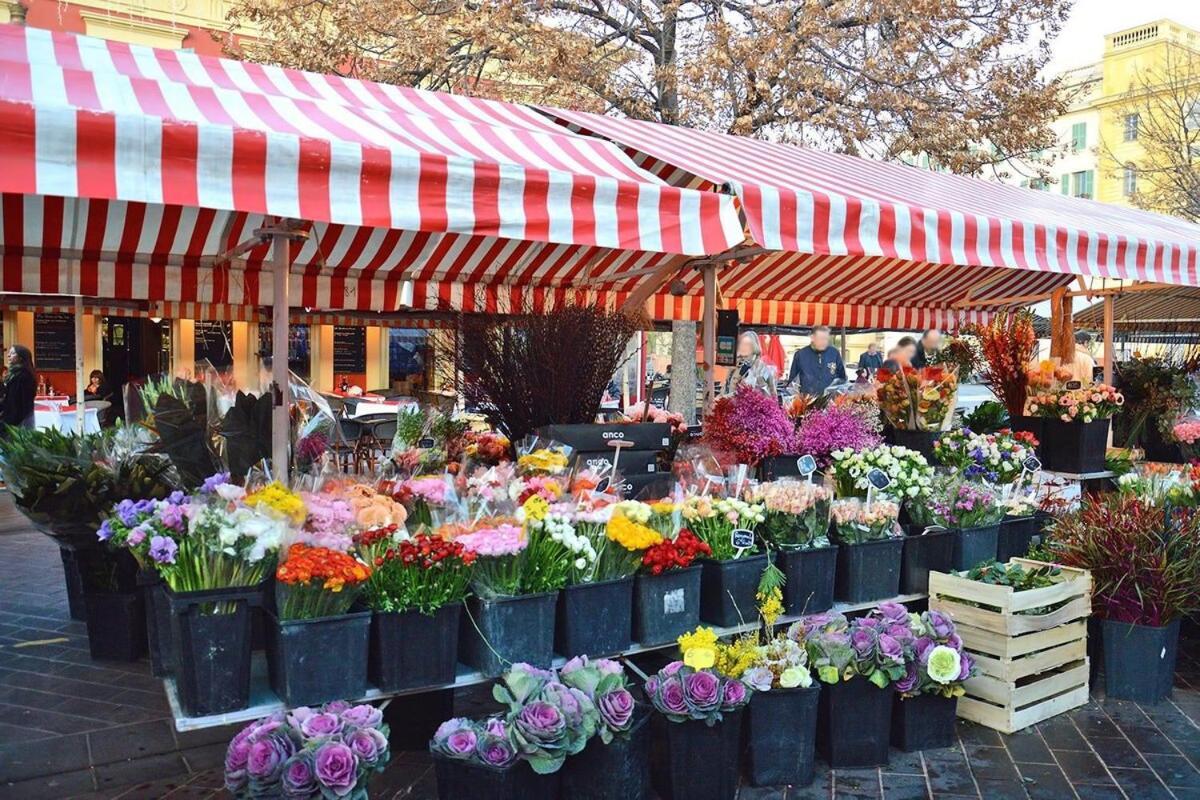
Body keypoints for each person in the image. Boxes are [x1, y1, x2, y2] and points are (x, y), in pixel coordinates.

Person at [785, 325, 846, 396]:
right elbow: (792, 383)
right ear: (812, 338)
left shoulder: (834, 353)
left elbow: (842, 379)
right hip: (807, 401)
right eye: (820, 338)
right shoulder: (800, 355)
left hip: (830, 402)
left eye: (826, 339)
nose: (823, 342)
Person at [724, 331, 777, 397]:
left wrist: (724, 398)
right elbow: (726, 388)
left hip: (755, 405)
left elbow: (744, 392)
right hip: (731, 405)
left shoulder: (762, 369)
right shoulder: (735, 367)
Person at [0, 345, 36, 430]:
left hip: (17, 424)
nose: (8, 355)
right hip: (17, 421)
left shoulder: (22, 376)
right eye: (9, 353)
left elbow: (15, 403)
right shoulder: (16, 374)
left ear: (20, 357)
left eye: (12, 353)